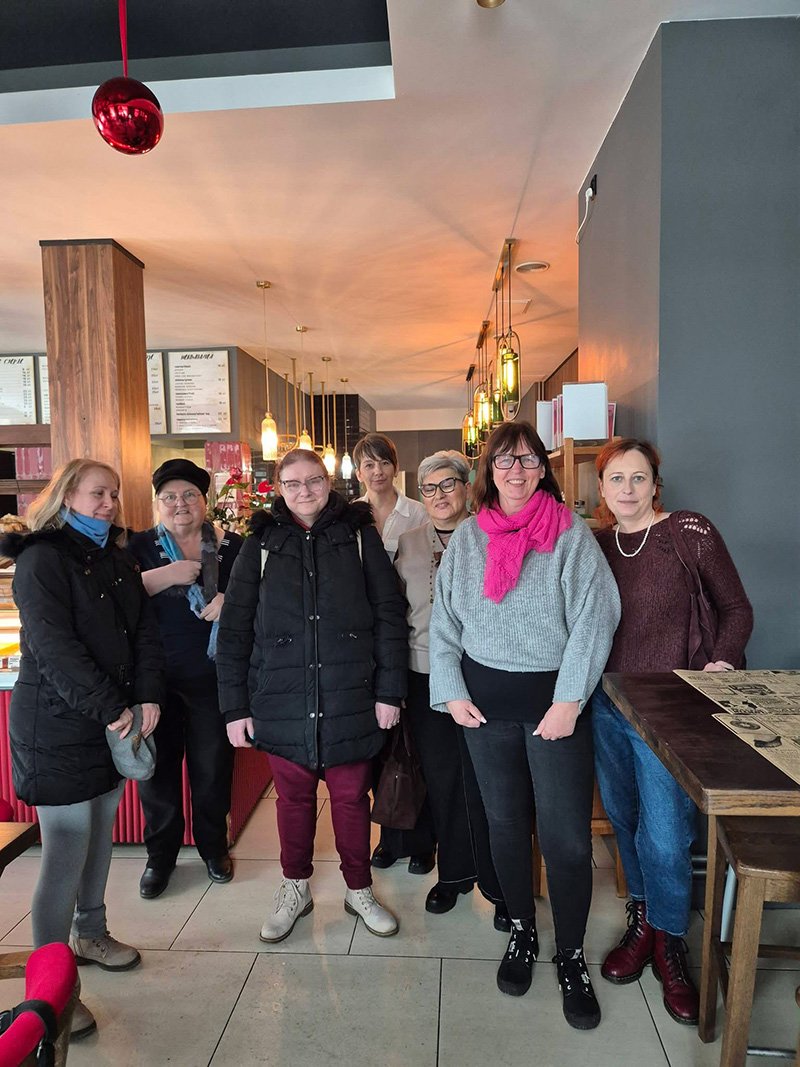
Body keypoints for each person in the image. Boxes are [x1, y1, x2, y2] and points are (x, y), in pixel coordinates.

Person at [429, 420, 620, 1031]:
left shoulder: (570, 534)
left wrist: (569, 701)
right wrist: (451, 691)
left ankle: (571, 955)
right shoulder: (468, 538)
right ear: (489, 472)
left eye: (529, 460)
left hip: (554, 710)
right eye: (505, 461)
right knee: (506, 827)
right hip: (483, 712)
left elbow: (596, 617)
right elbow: (444, 621)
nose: (517, 471)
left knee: (566, 841)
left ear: (544, 468)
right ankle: (522, 931)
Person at [216, 448, 408, 942]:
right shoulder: (260, 543)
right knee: (293, 800)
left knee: (350, 799)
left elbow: (389, 615)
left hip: (351, 696)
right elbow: (235, 629)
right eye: (293, 483)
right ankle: (295, 887)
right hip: (281, 698)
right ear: (279, 489)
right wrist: (234, 707)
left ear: (329, 482)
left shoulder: (359, 536)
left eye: (314, 480)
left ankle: (359, 889)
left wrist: (390, 691)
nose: (305, 491)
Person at [592, 438, 753, 1025]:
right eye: (616, 478)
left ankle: (670, 943)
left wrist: (723, 660)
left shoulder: (689, 531)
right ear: (601, 487)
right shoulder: (596, 545)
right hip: (606, 703)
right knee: (625, 819)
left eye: (639, 477)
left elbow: (736, 609)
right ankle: (644, 919)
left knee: (665, 834)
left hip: (669, 710)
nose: (628, 488)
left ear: (655, 484)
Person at [1, 459, 163, 1040]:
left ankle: (90, 934)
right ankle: (47, 996)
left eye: (114, 494)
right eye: (98, 493)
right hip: (56, 725)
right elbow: (55, 649)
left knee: (99, 836)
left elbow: (143, 632)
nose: (109, 503)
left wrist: (146, 694)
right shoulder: (41, 559)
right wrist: (111, 707)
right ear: (67, 494)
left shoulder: (114, 557)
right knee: (66, 848)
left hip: (110, 719)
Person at [394, 450, 509, 928]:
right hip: (425, 675)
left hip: (483, 674)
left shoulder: (493, 533)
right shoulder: (407, 543)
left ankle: (501, 886)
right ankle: (454, 874)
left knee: (490, 783)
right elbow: (395, 613)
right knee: (442, 781)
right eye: (429, 488)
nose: (439, 495)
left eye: (448, 485)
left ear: (466, 488)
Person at [128, 459, 243, 898]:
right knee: (157, 775)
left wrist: (232, 600)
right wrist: (160, 577)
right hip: (154, 681)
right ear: (157, 502)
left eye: (190, 495)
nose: (181, 504)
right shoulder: (138, 547)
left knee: (212, 770)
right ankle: (160, 858)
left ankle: (213, 848)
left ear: (204, 500)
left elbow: (261, 596)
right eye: (170, 497)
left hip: (213, 678)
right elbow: (115, 600)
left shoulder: (232, 546)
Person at [352, 431, 431, 872]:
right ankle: (389, 836)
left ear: (395, 467)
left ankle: (421, 840)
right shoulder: (350, 516)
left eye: (383, 462)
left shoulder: (417, 512)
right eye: (369, 464)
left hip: (412, 635)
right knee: (378, 745)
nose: (377, 471)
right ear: (358, 472)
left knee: (414, 744)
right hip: (367, 640)